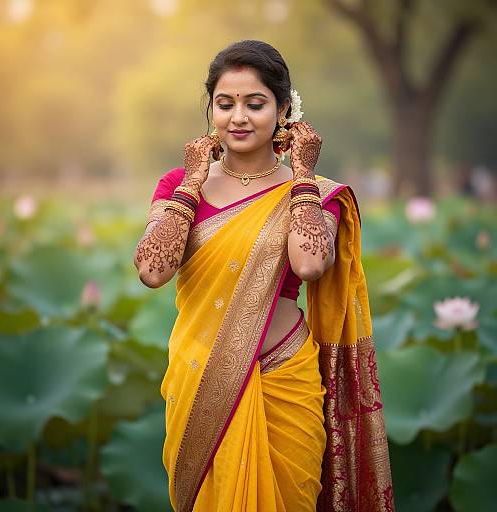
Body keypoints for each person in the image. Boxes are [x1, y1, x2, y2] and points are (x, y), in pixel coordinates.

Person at [134, 40, 395, 512]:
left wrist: (302, 177)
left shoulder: (317, 193)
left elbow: (311, 264)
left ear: (283, 110)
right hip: (200, 376)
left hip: (283, 378)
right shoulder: (178, 184)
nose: (239, 117)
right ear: (210, 108)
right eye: (225, 103)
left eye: (255, 104)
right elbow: (152, 270)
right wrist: (194, 182)